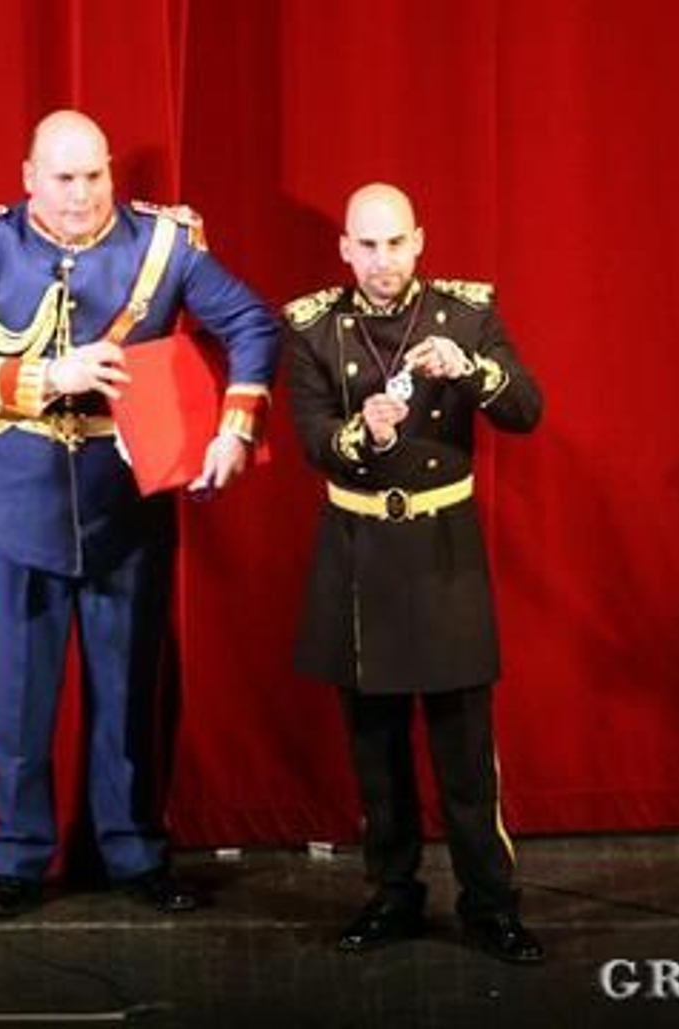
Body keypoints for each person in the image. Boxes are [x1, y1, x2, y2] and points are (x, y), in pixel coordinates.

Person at [0, 110, 279, 920]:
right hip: (11, 501)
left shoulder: (163, 244)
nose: (83, 196)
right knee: (16, 697)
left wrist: (236, 423)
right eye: (64, 178)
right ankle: (15, 860)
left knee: (129, 691)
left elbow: (253, 323)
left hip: (126, 502)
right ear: (28, 177)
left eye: (95, 176)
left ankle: (136, 852)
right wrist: (49, 375)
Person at [282, 183, 545, 963]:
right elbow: (311, 439)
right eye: (368, 245)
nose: (383, 260)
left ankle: (491, 904)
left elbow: (527, 410)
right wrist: (361, 431)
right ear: (345, 249)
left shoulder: (466, 316)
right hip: (360, 556)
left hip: (442, 551)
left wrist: (472, 370)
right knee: (378, 754)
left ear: (420, 241)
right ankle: (392, 895)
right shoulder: (313, 328)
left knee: (466, 756)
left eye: (396, 243)